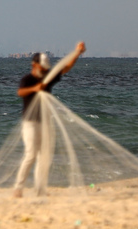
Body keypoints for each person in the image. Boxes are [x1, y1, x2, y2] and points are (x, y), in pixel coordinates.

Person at [14, 42, 86, 197]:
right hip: (30, 123)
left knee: (43, 156)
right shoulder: (27, 79)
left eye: (45, 69)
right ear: (34, 65)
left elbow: (65, 68)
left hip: (45, 121)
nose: (44, 70)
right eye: (42, 68)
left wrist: (77, 53)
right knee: (31, 154)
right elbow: (20, 92)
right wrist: (35, 88)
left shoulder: (48, 78)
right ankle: (18, 189)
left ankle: (40, 190)